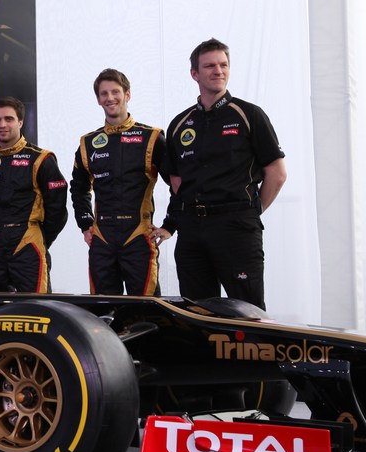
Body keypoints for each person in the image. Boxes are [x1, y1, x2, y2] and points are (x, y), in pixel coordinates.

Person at [154, 38, 286, 309]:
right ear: (195, 74)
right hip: (192, 229)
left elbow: (277, 173)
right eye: (210, 66)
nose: (218, 71)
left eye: (223, 65)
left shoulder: (248, 114)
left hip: (236, 227)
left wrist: (250, 212)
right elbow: (176, 179)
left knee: (248, 313)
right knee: (196, 313)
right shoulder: (180, 123)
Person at [70, 69, 167, 295]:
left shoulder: (151, 137)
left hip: (138, 236)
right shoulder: (89, 142)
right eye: (104, 93)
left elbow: (178, 183)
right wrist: (85, 225)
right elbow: (78, 187)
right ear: (98, 99)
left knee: (146, 311)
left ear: (127, 95)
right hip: (102, 238)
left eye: (115, 92)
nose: (110, 98)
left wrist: (169, 226)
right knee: (102, 311)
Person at [0, 96, 69, 292]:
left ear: (20, 122)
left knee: (37, 309)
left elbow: (58, 211)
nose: (2, 124)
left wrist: (39, 237)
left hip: (27, 242)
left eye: (8, 119)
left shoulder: (41, 159)